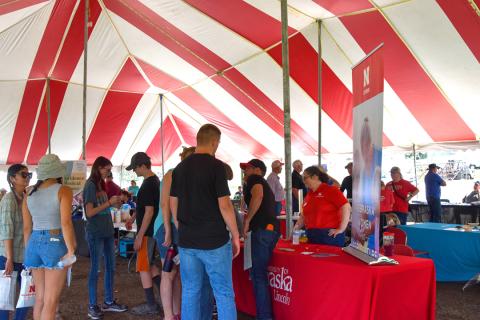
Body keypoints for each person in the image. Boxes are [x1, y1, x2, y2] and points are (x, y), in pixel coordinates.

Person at [170, 123, 240, 319]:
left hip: (188, 240)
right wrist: (235, 235)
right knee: (224, 293)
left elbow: (173, 201)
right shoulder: (216, 167)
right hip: (214, 241)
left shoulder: (180, 168)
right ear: (214, 142)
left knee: (191, 291)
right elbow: (225, 205)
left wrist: (178, 223)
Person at [22, 154, 77, 320]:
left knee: (39, 297)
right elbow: (66, 223)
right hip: (54, 241)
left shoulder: (29, 192)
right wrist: (71, 250)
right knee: (51, 300)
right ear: (57, 172)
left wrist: (29, 251)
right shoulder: (63, 190)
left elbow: (26, 227)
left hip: (33, 242)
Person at [83, 156, 127, 319]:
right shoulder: (90, 185)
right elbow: (89, 213)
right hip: (95, 233)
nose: (109, 173)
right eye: (107, 169)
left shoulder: (102, 184)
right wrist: (109, 203)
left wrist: (116, 203)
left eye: (110, 170)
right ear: (98, 168)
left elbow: (103, 207)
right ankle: (92, 305)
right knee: (95, 269)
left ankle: (108, 301)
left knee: (111, 267)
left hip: (107, 231)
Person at [155, 146, 195, 320]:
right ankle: (168, 315)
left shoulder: (189, 177)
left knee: (177, 273)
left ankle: (177, 313)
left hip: (180, 228)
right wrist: (168, 230)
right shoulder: (172, 174)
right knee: (168, 272)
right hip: (167, 228)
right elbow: (165, 204)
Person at [240, 159, 279, 320]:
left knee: (258, 275)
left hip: (261, 230)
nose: (245, 172)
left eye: (248, 168)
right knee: (259, 274)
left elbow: (258, 195)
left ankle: (264, 317)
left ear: (257, 170)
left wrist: (248, 220)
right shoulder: (258, 181)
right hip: (269, 230)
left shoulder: (255, 180)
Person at [126, 152, 161, 315]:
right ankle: (166, 297)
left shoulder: (148, 184)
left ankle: (151, 305)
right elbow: (143, 207)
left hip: (147, 233)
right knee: (151, 266)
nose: (134, 171)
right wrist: (133, 219)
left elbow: (149, 211)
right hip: (149, 231)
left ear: (142, 165)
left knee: (143, 268)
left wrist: (139, 235)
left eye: (135, 168)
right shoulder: (152, 182)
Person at [0, 165, 32, 320]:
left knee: (28, 292)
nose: (27, 176)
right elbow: (6, 231)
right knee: (5, 295)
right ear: (12, 179)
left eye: (29, 174)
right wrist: (9, 259)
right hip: (8, 255)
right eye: (23, 174)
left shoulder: (26, 196)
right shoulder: (9, 200)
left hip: (23, 255)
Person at [293, 166, 350, 247]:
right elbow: (303, 216)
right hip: (312, 235)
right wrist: (295, 230)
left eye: (305, 177)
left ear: (315, 177)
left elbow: (346, 207)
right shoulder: (309, 195)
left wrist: (341, 228)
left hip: (329, 236)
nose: (303, 181)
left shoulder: (331, 190)